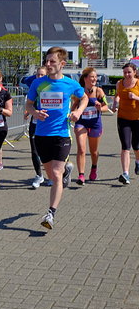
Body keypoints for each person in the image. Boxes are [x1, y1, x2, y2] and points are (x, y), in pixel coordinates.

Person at [26, 47, 88, 229]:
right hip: (41, 135)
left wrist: (78, 111)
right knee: (51, 175)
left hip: (61, 135)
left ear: (62, 64)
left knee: (56, 174)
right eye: (47, 61)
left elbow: (84, 98)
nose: (48, 64)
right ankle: (67, 170)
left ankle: (50, 213)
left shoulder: (70, 84)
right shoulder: (38, 84)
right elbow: (28, 105)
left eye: (52, 61)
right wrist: (35, 113)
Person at [72, 67, 109, 185]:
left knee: (93, 151)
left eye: (95, 76)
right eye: (92, 76)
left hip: (95, 123)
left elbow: (106, 107)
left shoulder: (99, 91)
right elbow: (73, 108)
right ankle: (81, 175)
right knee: (81, 149)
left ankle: (94, 168)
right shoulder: (79, 91)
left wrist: (100, 107)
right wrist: (75, 107)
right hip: (81, 123)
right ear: (85, 78)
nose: (94, 79)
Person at [111, 62, 139, 185]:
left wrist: (136, 97)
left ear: (134, 72)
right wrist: (114, 103)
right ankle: (125, 173)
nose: (127, 74)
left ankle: (137, 161)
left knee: (136, 146)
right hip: (123, 118)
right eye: (124, 72)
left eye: (129, 72)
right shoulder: (119, 83)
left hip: (137, 118)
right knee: (125, 146)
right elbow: (118, 95)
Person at [23, 66, 48, 188]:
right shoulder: (34, 86)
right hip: (35, 122)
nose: (40, 77)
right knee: (34, 150)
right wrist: (29, 112)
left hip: (48, 123)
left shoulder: (51, 87)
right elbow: (30, 103)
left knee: (48, 151)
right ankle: (39, 175)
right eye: (38, 75)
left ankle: (53, 176)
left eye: (42, 75)